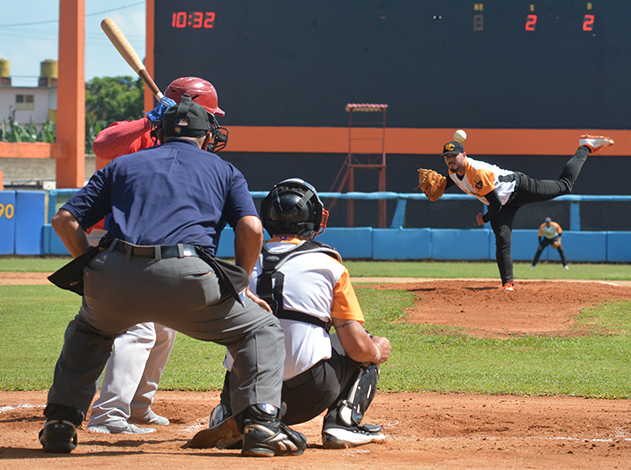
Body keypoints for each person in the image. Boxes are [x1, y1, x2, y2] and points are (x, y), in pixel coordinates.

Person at [39, 96, 306, 458]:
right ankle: (260, 425)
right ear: (206, 135)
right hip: (189, 277)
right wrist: (240, 284)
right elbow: (252, 228)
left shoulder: (123, 165)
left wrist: (89, 266)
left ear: (160, 133)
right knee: (259, 330)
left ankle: (60, 424)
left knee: (89, 331)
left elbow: (64, 220)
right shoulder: (224, 169)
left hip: (115, 272)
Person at [186, 178, 392, 451]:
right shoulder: (330, 265)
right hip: (308, 393)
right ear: (315, 219)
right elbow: (356, 347)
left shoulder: (243, 265)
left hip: (246, 393)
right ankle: (343, 424)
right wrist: (377, 353)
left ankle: (231, 415)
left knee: (245, 346)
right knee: (364, 342)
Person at [86, 77, 228, 434]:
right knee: (139, 327)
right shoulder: (141, 132)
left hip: (155, 240)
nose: (211, 123)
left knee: (164, 328)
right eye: (207, 113)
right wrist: (150, 119)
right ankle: (109, 414)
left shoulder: (193, 145)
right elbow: (103, 146)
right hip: (116, 237)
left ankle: (137, 405)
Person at [421, 135, 613, 291]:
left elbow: (494, 206)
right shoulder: (453, 172)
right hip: (502, 204)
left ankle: (585, 146)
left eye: (454, 155)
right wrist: (436, 190)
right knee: (502, 240)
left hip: (520, 188)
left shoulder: (477, 172)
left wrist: (484, 219)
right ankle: (508, 284)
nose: (450, 159)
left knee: (564, 186)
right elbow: (451, 181)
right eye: (447, 156)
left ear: (464, 155)